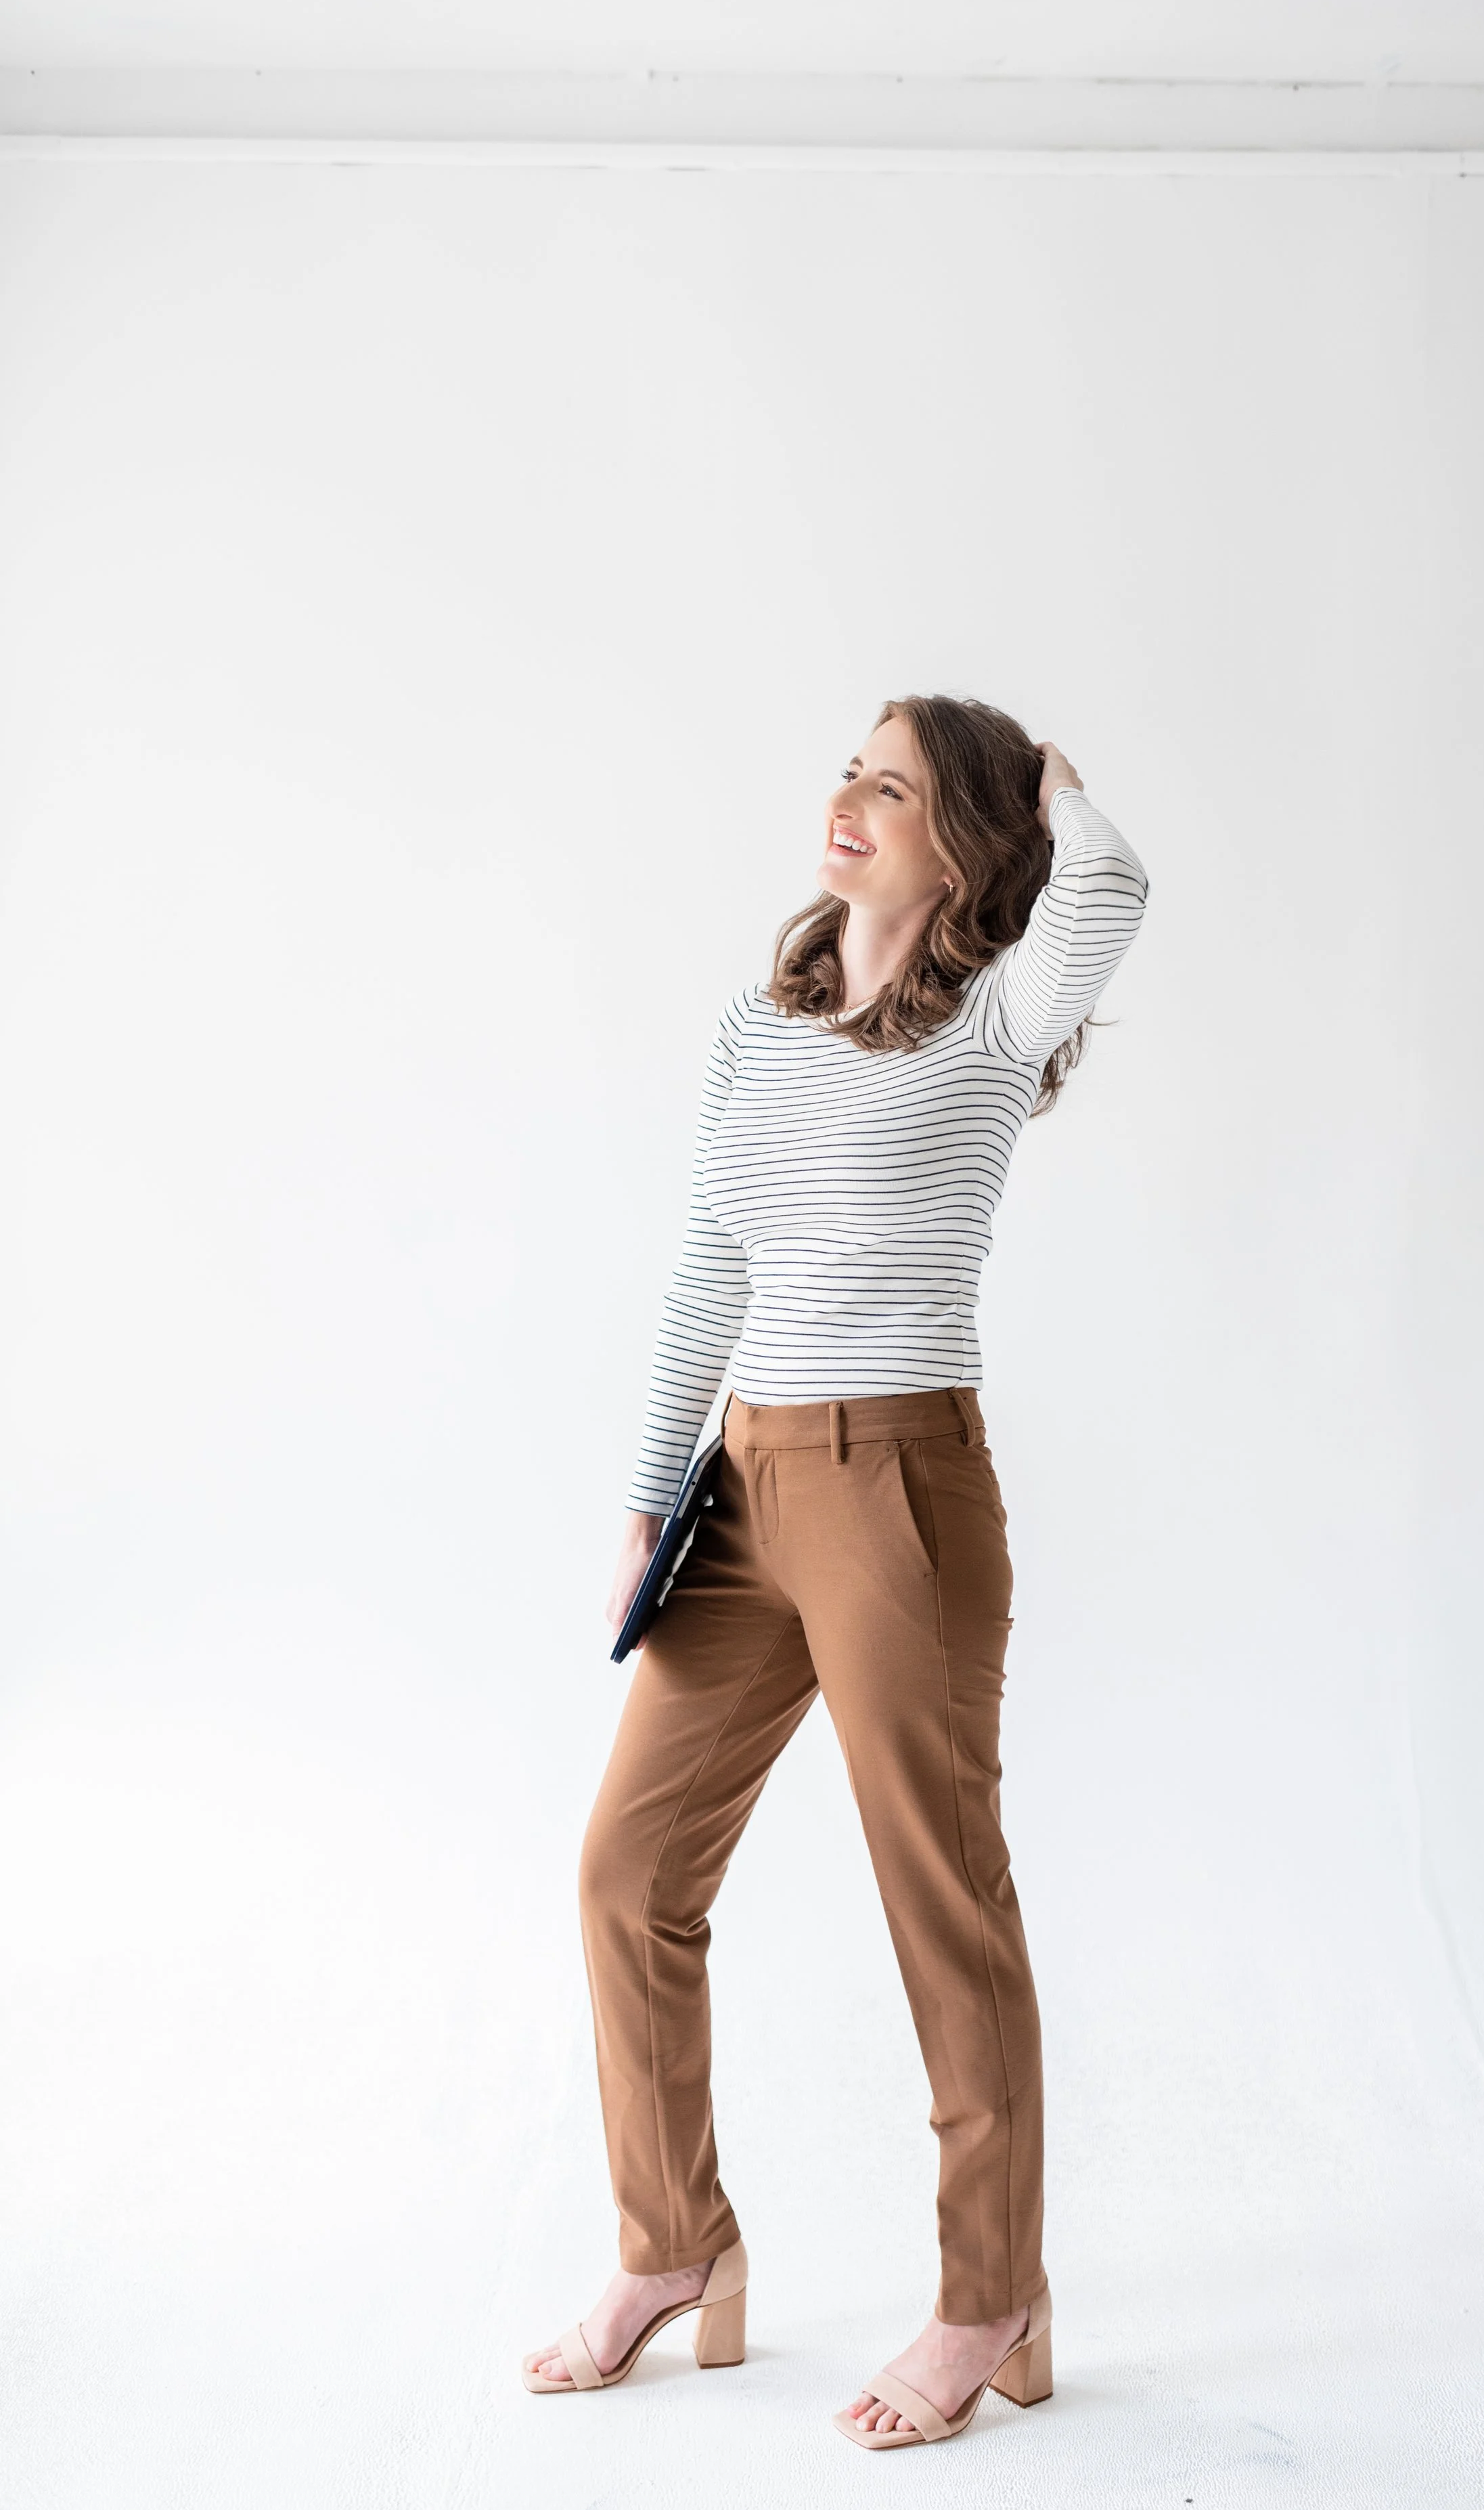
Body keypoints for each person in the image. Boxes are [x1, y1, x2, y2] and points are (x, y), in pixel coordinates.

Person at [522, 694, 1150, 2448]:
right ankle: (672, 2249)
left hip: (900, 1488)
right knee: (625, 1872)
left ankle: (987, 2296)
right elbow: (707, 1261)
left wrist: (1046, 781)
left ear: (964, 837)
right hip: (747, 1483)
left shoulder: (995, 1026)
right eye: (845, 773)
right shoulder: (763, 1027)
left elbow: (1109, 892)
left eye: (892, 783)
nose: (847, 802)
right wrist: (658, 1492)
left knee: (940, 1903)